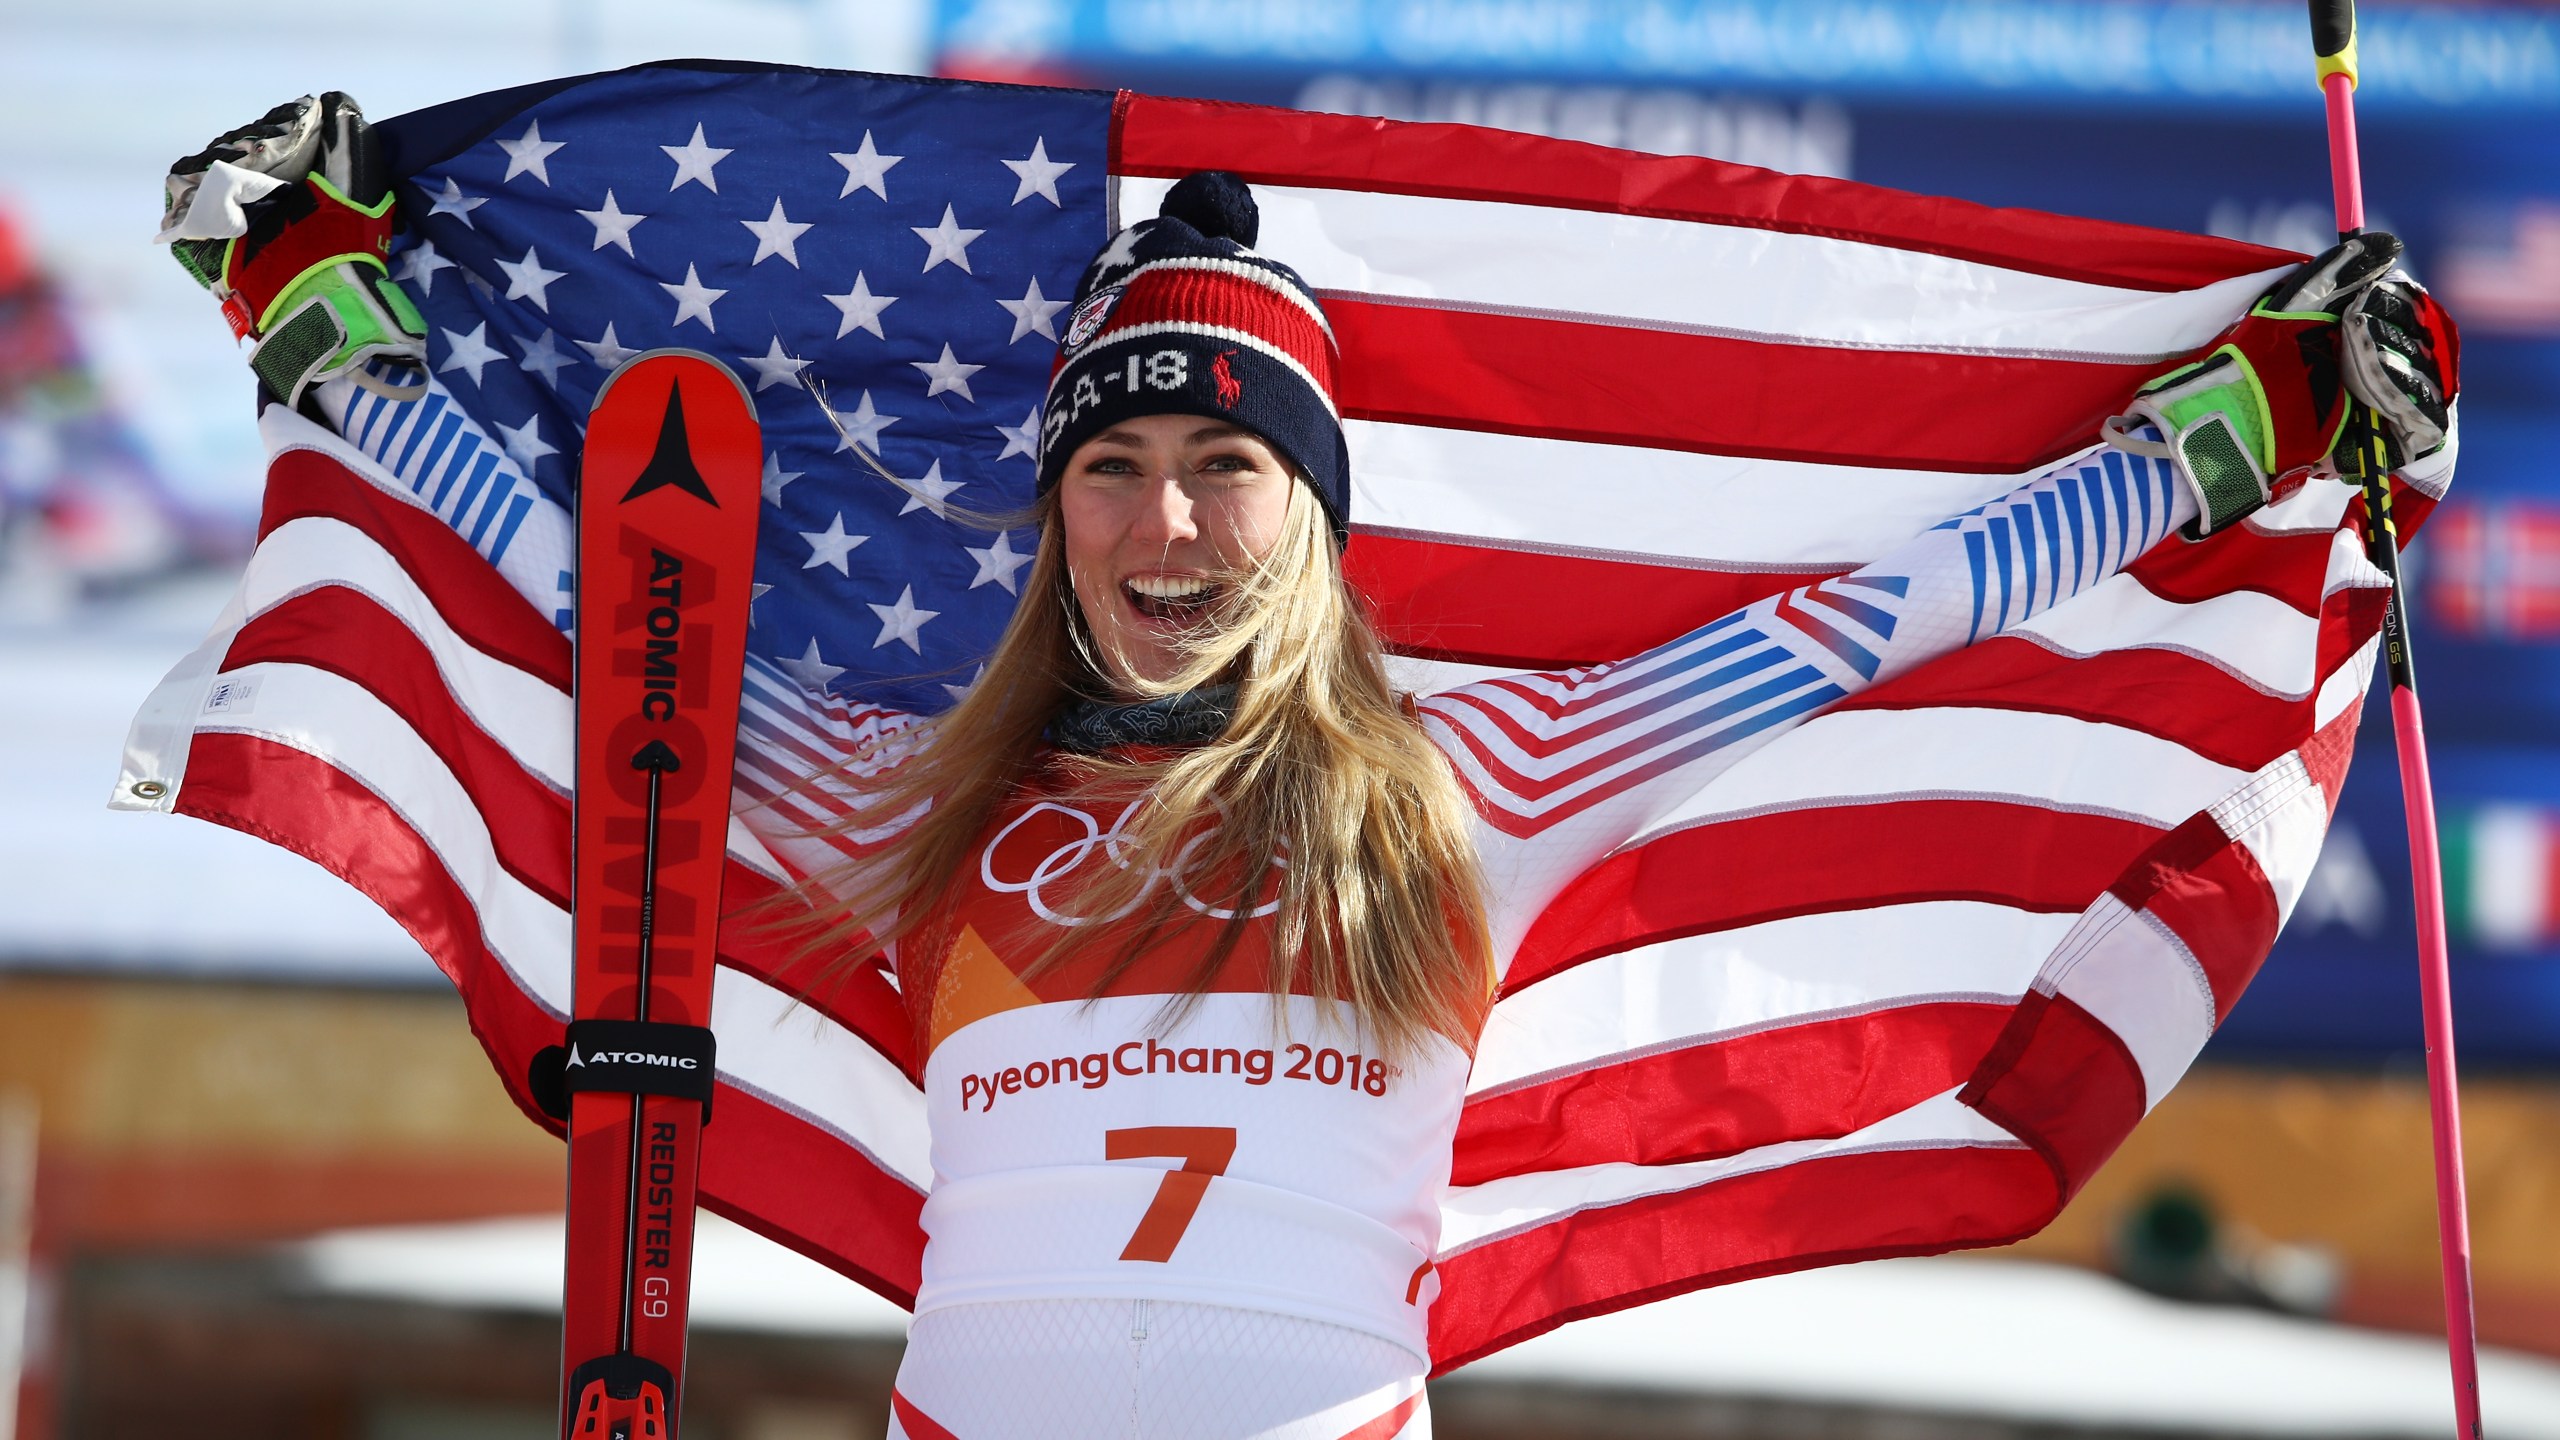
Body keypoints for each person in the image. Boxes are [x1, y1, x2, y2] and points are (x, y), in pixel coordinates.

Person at [164, 98, 2458, 1440]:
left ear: (1311, 516)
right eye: (1114, 467)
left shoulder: (1477, 782)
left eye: (1221, 469)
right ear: (1051, 507)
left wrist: (2241, 426)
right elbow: (593, 594)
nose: (1164, 522)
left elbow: (1881, 618)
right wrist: (325, 310)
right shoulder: (900, 800)